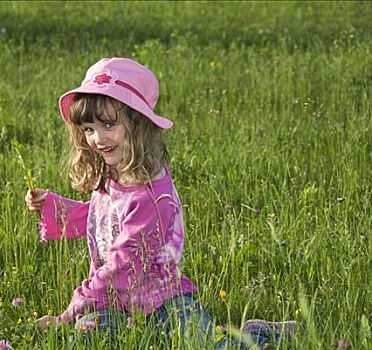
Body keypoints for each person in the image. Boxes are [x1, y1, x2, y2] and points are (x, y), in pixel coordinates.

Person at [25, 57, 295, 348]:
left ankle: (260, 336)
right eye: (89, 128)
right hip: (114, 301)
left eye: (107, 124)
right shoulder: (115, 170)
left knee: (201, 346)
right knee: (92, 338)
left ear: (137, 124)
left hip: (164, 302)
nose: (97, 138)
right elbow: (104, 217)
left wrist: (70, 311)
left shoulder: (152, 198)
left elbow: (121, 266)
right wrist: (55, 208)